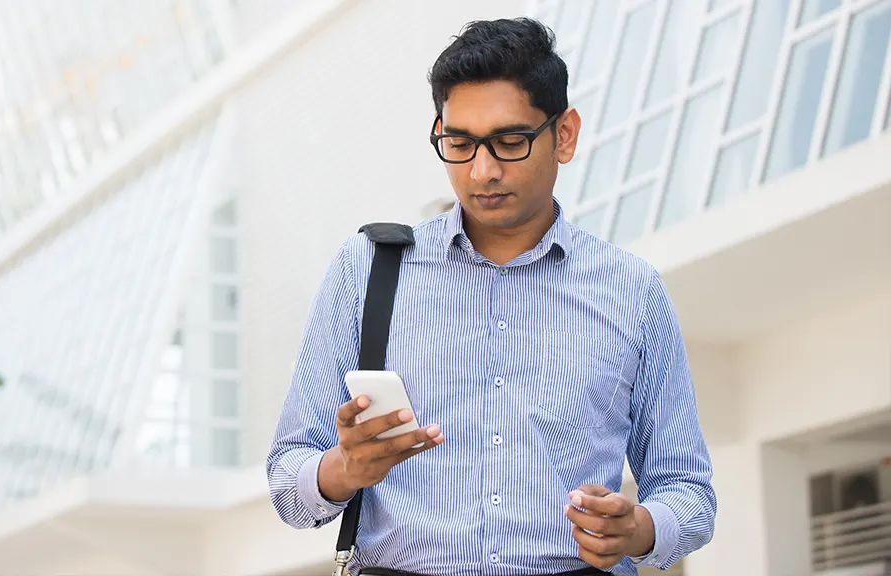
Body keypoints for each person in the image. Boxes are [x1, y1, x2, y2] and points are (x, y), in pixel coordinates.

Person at [266, 17, 716, 576]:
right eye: (459, 143)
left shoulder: (632, 291)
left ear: (565, 134)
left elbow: (687, 489)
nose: (483, 171)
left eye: (510, 141)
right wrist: (344, 469)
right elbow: (289, 478)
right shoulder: (368, 271)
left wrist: (640, 528)